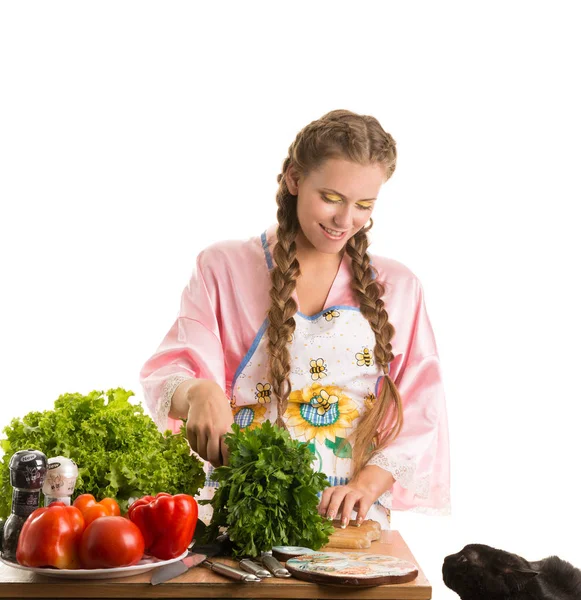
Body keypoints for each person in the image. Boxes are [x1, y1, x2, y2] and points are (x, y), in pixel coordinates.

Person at [140, 109, 450, 529]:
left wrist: (363, 488)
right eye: (332, 198)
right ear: (293, 179)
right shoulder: (223, 267)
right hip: (240, 512)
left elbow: (419, 410)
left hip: (348, 523)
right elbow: (168, 373)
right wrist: (198, 392)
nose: (346, 221)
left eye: (363, 205)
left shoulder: (399, 286)